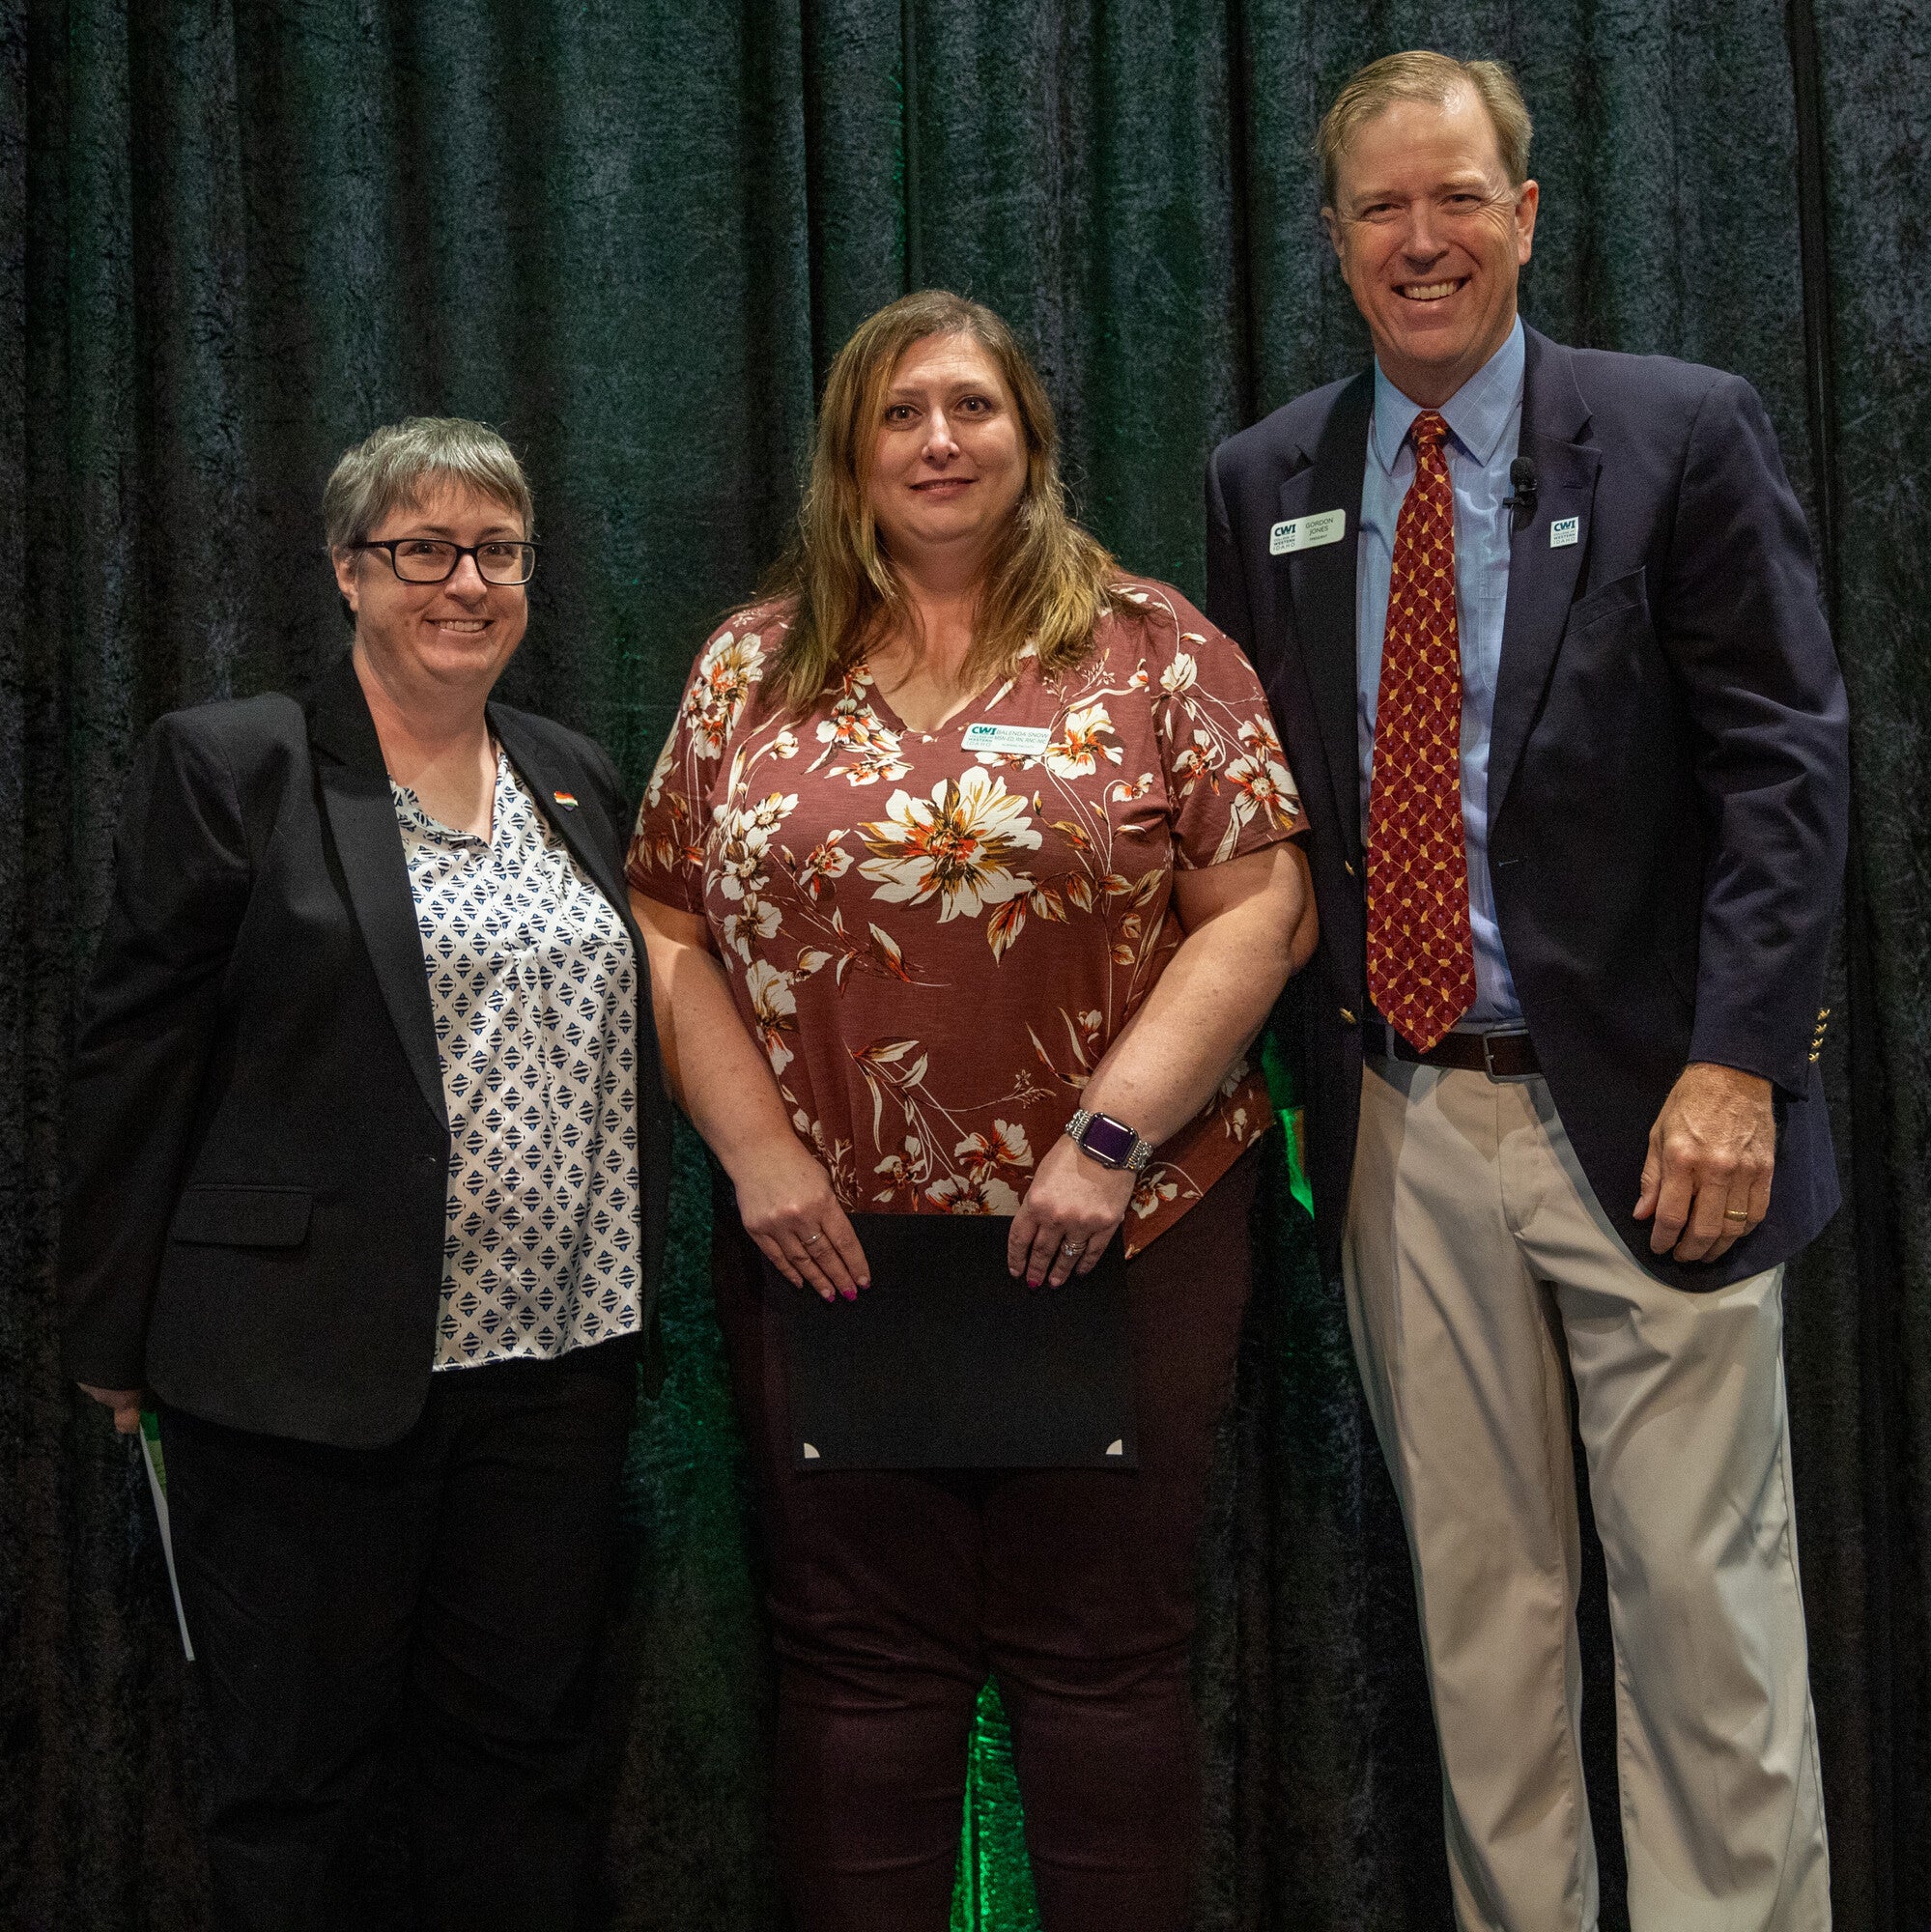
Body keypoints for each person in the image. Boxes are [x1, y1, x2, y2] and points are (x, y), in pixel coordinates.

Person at [1207, 51, 1846, 1931]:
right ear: (1333, 242)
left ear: (1528, 215)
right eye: (1383, 208)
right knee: (1483, 1643)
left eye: (1457, 196)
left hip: (1662, 1123)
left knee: (1706, 1632)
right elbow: (1266, 812)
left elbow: (1786, 770)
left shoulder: (1675, 434)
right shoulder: (1269, 477)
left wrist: (1740, 1064)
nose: (1423, 239)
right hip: (1404, 1122)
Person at [629, 289, 1316, 1931]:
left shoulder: (1157, 650)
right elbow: (665, 922)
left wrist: (1103, 1143)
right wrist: (758, 1155)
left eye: (972, 407)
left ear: (1030, 435)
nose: (940, 441)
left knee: (1103, 1666)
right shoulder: (750, 663)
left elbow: (1262, 909)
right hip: (828, 1248)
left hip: (1123, 1234)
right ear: (849, 457)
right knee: (861, 1674)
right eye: (900, 414)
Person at [60, 417, 670, 1932]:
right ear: (349, 571)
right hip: (297, 1377)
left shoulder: (576, 773)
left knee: (522, 1765)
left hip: (552, 1372)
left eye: (499, 552)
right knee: (297, 1781)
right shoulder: (237, 762)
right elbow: (133, 1060)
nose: (465, 583)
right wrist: (110, 1334)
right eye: (424, 551)